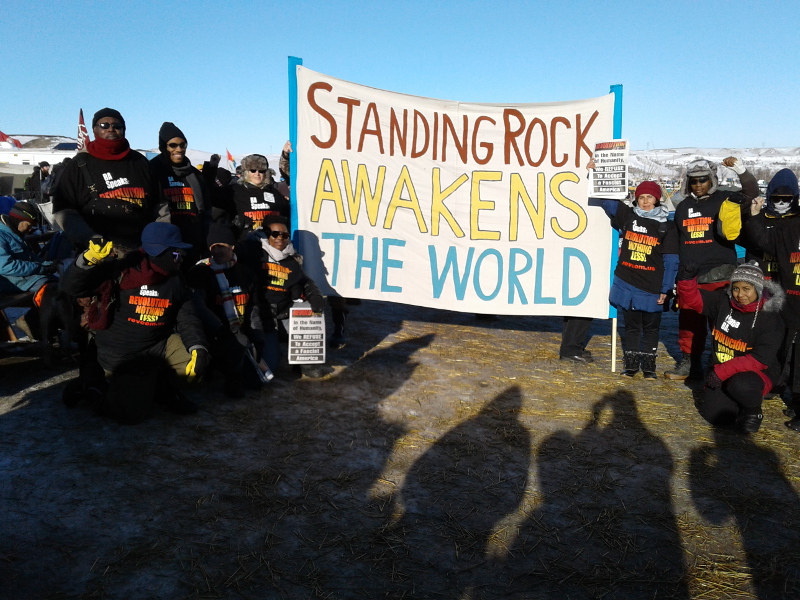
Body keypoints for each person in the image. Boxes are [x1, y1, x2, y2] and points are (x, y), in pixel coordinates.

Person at [60, 222, 208, 424]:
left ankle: (161, 390)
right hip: (120, 352)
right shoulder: (121, 269)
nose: (181, 258)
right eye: (176, 253)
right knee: (130, 414)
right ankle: (89, 385)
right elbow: (72, 287)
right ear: (159, 252)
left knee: (193, 365)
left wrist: (197, 347)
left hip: (157, 344)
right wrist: (86, 262)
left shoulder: (175, 278)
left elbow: (187, 316)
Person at [667, 157, 759, 380]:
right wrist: (672, 276)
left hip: (720, 274)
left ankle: (719, 365)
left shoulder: (725, 199)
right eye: (694, 181)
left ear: (712, 180)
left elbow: (751, 193)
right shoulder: (683, 206)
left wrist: (740, 170)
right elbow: (675, 242)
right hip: (690, 277)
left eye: (703, 180)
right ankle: (690, 364)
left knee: (722, 325)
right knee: (689, 324)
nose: (698, 185)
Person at [677, 261, 784, 433]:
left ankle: (753, 411)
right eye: (736, 288)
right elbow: (693, 299)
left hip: (756, 372)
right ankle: (738, 403)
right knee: (716, 417)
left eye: (746, 289)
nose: (740, 294)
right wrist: (686, 280)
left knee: (741, 385)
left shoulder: (770, 318)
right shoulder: (723, 302)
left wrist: (720, 372)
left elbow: (760, 359)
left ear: (757, 289)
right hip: (722, 369)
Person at [53, 108, 160, 253]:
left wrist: (159, 239)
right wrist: (90, 239)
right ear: (95, 130)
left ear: (124, 130)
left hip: (141, 250)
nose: (111, 129)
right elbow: (63, 210)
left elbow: (160, 205)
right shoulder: (79, 164)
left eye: (117, 126)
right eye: (104, 125)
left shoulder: (139, 161)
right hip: (96, 253)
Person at [600, 182, 679, 378]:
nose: (645, 201)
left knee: (651, 328)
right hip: (627, 283)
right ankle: (631, 367)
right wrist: (595, 172)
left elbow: (671, 260)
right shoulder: (628, 216)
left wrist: (666, 288)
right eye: (642, 197)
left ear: (657, 199)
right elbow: (605, 199)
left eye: (649, 197)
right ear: (636, 198)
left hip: (652, 285)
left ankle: (649, 368)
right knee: (631, 327)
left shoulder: (666, 226)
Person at [743, 169, 800, 431]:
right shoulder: (779, 224)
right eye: (777, 197)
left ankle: (794, 393)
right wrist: (754, 216)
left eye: (787, 197)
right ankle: (771, 383)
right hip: (774, 292)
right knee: (773, 341)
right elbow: (762, 242)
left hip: (794, 295)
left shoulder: (796, 220)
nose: (781, 202)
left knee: (794, 350)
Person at [187, 223, 265, 398]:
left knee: (257, 381)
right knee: (236, 345)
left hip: (238, 327)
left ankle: (236, 366)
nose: (217, 251)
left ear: (232, 246)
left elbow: (252, 306)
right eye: (213, 247)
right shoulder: (200, 271)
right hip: (212, 331)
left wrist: (257, 333)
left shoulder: (245, 273)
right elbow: (198, 306)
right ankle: (229, 375)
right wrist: (221, 329)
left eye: (221, 246)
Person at [248, 216, 328, 378]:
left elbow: (305, 281)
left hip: (285, 312)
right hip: (261, 316)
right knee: (269, 366)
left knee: (308, 310)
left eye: (284, 235)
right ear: (266, 235)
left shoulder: (292, 259)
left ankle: (307, 362)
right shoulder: (253, 254)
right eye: (275, 234)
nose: (280, 238)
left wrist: (316, 297)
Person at [149, 122, 211, 265]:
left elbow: (206, 209)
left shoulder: (194, 174)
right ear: (163, 147)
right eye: (173, 145)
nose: (179, 149)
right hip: (166, 241)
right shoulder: (152, 171)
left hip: (193, 240)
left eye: (182, 145)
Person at [0, 202, 58, 338]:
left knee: (65, 285)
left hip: (21, 279)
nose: (32, 229)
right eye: (30, 224)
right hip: (8, 281)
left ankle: (37, 324)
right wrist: (40, 268)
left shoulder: (13, 232)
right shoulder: (2, 236)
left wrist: (46, 264)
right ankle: (36, 326)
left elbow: (29, 257)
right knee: (51, 291)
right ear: (19, 220)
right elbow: (6, 266)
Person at [231, 154, 290, 240]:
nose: (257, 174)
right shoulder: (235, 191)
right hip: (246, 243)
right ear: (246, 172)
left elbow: (286, 214)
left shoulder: (274, 192)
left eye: (261, 171)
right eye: (253, 170)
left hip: (272, 243)